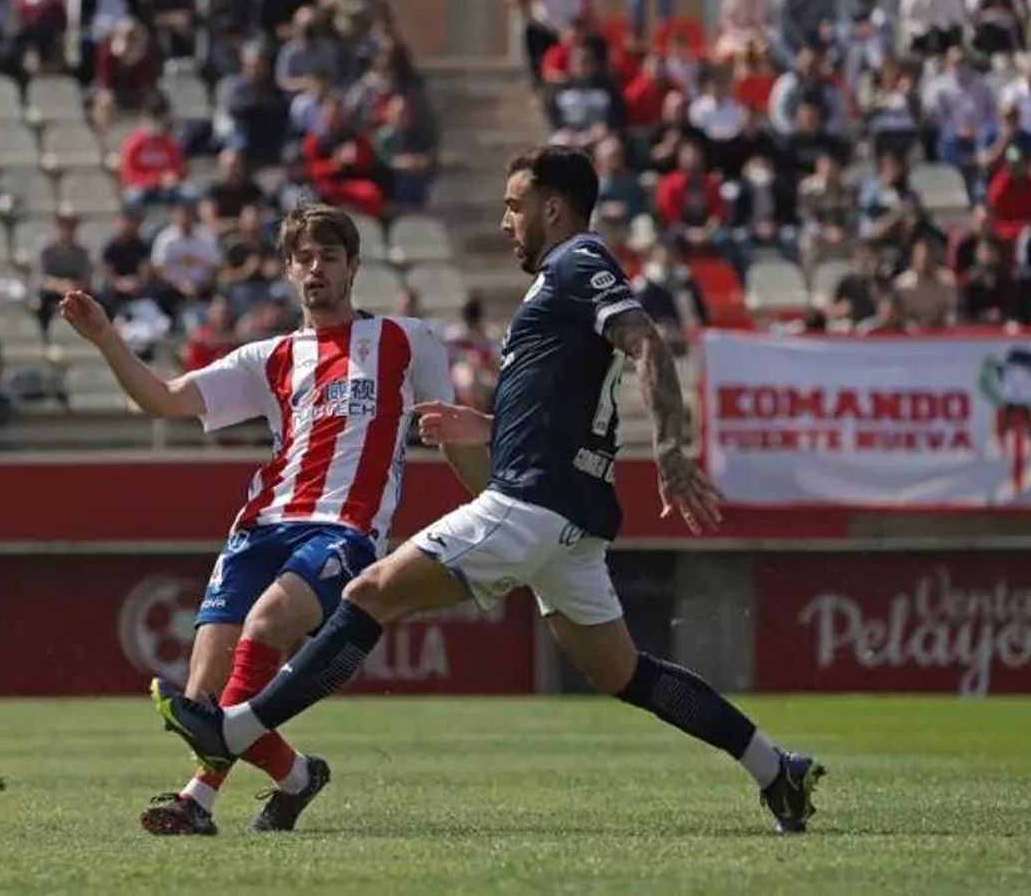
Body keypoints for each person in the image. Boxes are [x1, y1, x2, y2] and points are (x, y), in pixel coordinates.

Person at [150, 147, 825, 836]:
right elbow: (569, 402)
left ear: (552, 209)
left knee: (368, 594)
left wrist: (674, 450)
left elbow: (646, 341)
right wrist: (488, 427)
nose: (506, 221)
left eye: (514, 205)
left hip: (532, 504)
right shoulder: (557, 285)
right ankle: (777, 769)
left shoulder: (577, 262)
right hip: (571, 519)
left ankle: (234, 733)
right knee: (625, 673)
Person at [60, 201, 458, 836]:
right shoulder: (269, 356)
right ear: (287, 270)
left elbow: (455, 430)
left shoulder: (407, 340)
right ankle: (297, 777)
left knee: (269, 623)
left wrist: (489, 503)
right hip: (259, 525)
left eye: (329, 257)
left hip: (344, 529)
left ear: (353, 265)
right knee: (202, 696)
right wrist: (107, 339)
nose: (316, 270)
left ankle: (197, 800)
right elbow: (161, 401)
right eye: (304, 259)